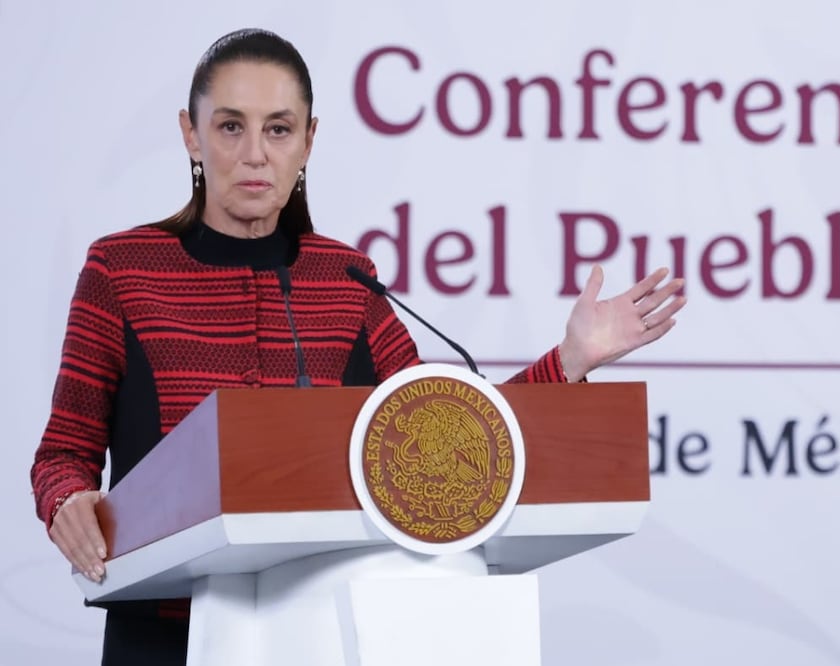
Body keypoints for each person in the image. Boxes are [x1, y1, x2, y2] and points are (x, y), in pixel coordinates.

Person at [30, 28, 686, 666]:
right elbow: (62, 455)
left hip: (312, 629)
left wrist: (569, 361)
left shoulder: (346, 281)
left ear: (309, 141)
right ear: (189, 133)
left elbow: (448, 437)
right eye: (231, 126)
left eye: (279, 129)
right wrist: (68, 503)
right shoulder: (121, 269)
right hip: (164, 630)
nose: (255, 152)